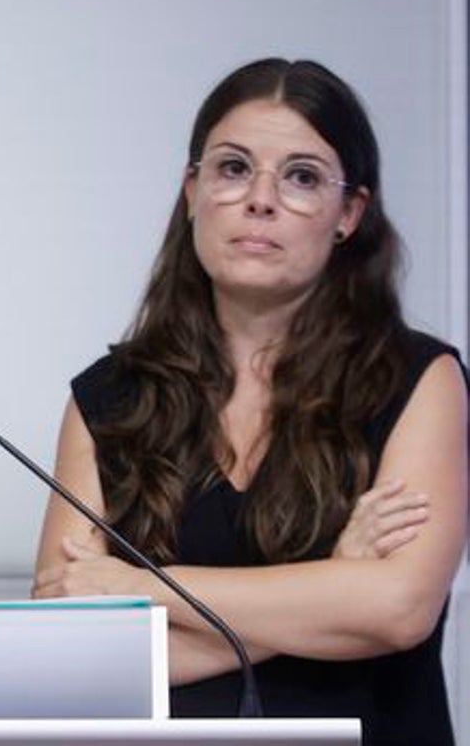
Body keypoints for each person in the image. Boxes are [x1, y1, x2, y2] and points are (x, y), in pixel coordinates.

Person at [33, 58, 466, 743]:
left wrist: (147, 587)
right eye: (234, 168)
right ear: (192, 189)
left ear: (349, 212)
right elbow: (68, 656)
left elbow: (398, 607)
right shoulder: (109, 397)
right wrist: (332, 587)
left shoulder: (417, 377)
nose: (261, 199)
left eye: (301, 177)